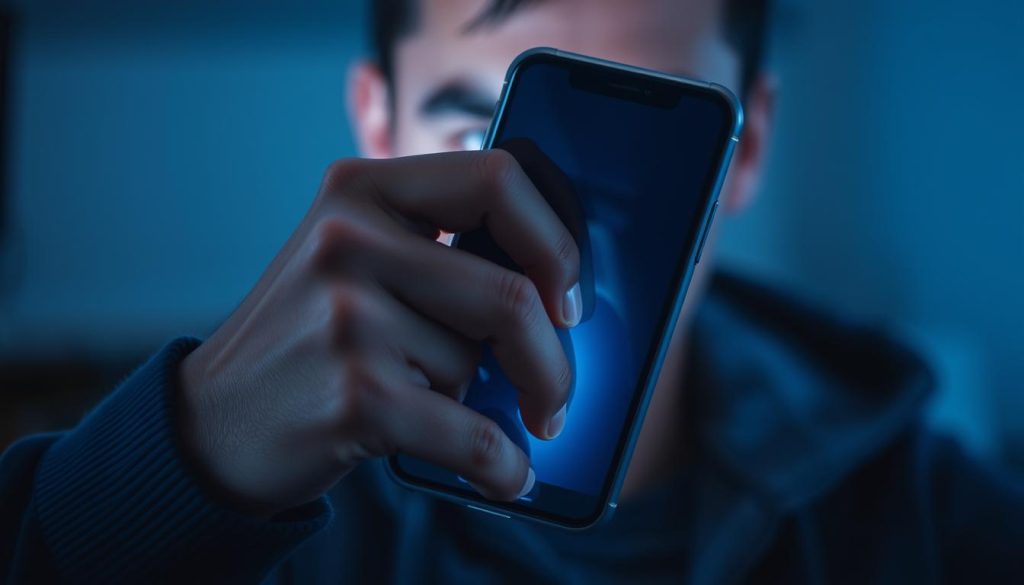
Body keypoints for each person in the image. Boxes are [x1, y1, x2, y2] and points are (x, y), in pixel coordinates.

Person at [2, 0, 1022, 582]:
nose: (544, 228)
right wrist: (173, 474)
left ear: (746, 144)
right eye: (478, 136)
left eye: (642, 149)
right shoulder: (248, 503)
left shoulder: (931, 517)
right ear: (375, 119)